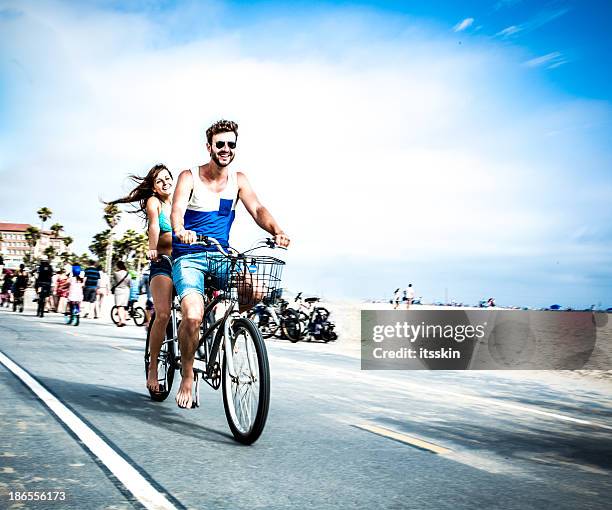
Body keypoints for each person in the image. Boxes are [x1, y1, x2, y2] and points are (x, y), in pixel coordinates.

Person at [171, 119, 290, 409]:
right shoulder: (189, 177)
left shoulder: (239, 180)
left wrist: (276, 230)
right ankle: (187, 375)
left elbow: (258, 209)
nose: (226, 149)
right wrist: (180, 231)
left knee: (256, 289)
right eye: (220, 144)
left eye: (231, 144)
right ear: (209, 146)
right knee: (193, 316)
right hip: (190, 255)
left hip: (221, 256)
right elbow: (176, 211)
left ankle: (229, 326)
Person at [106, 164, 174, 391]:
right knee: (163, 314)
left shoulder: (180, 201)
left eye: (167, 178)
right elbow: (154, 225)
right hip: (162, 262)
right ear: (154, 188)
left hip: (184, 263)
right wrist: (152, 248)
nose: (165, 183)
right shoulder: (154, 203)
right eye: (160, 181)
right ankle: (153, 369)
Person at [111, 260, 131, 327]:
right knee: (124, 306)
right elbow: (129, 283)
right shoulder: (128, 274)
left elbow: (114, 282)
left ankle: (121, 321)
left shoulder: (116, 273)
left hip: (119, 290)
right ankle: (124, 320)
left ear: (118, 266)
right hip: (126, 290)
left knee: (119, 306)